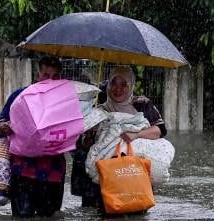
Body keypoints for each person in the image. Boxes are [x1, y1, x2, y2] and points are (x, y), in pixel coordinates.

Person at [71, 66, 167, 208]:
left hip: (134, 173)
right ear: (108, 85)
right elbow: (86, 145)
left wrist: (135, 135)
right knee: (102, 213)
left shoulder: (142, 104)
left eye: (124, 85)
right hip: (107, 176)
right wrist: (91, 130)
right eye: (113, 83)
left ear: (132, 85)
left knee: (136, 211)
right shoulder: (100, 109)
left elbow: (160, 130)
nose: (118, 89)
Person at [0, 56, 66, 219]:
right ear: (37, 75)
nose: (50, 81)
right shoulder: (19, 97)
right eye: (46, 75)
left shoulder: (66, 102)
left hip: (53, 173)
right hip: (23, 172)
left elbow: (72, 134)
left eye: (55, 77)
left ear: (60, 78)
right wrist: (2, 127)